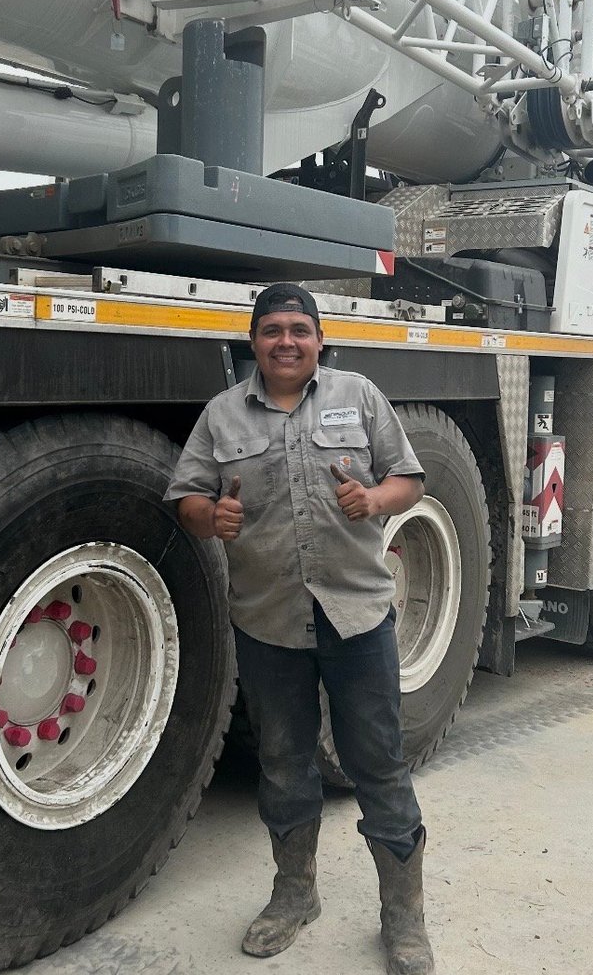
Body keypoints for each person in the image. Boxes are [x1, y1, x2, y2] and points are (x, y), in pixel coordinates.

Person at [165, 282, 435, 975]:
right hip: (268, 619)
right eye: (272, 331)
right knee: (284, 765)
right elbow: (186, 496)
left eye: (299, 330)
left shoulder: (359, 396)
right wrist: (210, 517)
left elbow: (409, 479)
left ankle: (403, 915)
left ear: (319, 340)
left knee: (378, 764)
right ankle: (295, 893)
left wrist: (375, 498)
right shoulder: (222, 414)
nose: (286, 342)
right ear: (253, 341)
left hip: (356, 616)